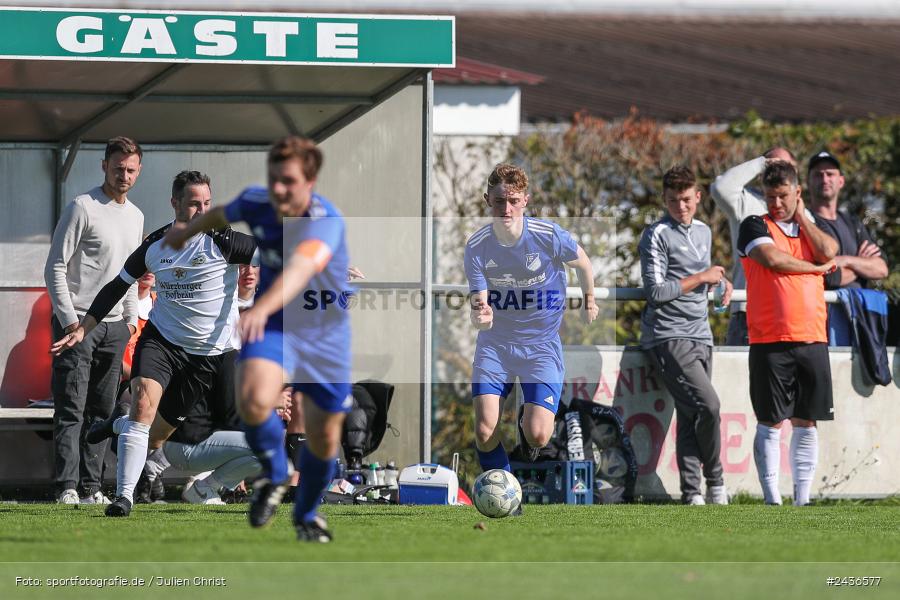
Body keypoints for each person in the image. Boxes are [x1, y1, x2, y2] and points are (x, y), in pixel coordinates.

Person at [162, 136, 352, 543]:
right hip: (277, 327)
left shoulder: (325, 221)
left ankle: (306, 515)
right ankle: (276, 472)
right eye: (273, 179)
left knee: (323, 437)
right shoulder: (257, 200)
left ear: (310, 181)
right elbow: (221, 214)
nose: (278, 189)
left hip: (322, 333)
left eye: (288, 181)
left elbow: (300, 270)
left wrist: (261, 307)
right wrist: (185, 232)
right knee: (252, 401)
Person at [51, 170, 256, 517]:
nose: (201, 211)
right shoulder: (155, 246)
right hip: (161, 343)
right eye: (194, 204)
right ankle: (124, 497)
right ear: (174, 203)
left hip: (204, 356)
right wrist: (84, 327)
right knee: (143, 408)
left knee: (156, 437)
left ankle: (117, 425)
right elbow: (116, 286)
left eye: (207, 204)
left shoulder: (226, 241)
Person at [464, 163, 598, 496]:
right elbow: (479, 303)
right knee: (484, 429)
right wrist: (480, 316)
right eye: (498, 202)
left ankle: (529, 417)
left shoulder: (548, 235)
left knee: (538, 434)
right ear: (487, 201)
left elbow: (582, 262)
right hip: (496, 345)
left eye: (512, 200)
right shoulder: (477, 246)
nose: (505, 209)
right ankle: (505, 490)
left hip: (541, 346)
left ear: (525, 200)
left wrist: (589, 298)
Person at [44, 136, 145, 505]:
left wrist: (131, 323)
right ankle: (66, 487)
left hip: (116, 327)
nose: (124, 175)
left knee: (102, 412)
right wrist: (71, 321)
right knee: (71, 407)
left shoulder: (136, 216)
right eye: (118, 168)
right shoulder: (82, 207)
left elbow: (130, 275)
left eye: (131, 170)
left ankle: (91, 488)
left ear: (139, 171)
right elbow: (54, 265)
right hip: (78, 325)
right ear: (104, 165)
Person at [737, 161, 837, 506]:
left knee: (807, 421)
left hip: (812, 338)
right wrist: (817, 270)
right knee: (770, 420)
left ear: (797, 193)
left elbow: (830, 251)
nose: (775, 203)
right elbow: (772, 259)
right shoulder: (753, 225)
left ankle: (802, 498)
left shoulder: (810, 228)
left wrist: (804, 220)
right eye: (769, 196)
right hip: (770, 339)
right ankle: (771, 498)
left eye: (782, 196)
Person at [638, 166, 731, 505]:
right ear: (664, 199)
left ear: (698, 197)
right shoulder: (656, 234)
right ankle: (716, 482)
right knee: (710, 405)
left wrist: (721, 282)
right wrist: (702, 276)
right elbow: (656, 293)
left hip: (701, 333)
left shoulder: (704, 231)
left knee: (693, 413)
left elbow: (702, 279)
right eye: (674, 200)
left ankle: (692, 494)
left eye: (687, 199)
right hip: (667, 334)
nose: (681, 206)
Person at [710, 147, 797, 345]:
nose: (779, 172)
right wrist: (762, 163)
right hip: (748, 314)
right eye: (773, 166)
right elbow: (720, 188)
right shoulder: (747, 202)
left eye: (786, 167)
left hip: (792, 314)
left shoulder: (804, 215)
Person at [806, 151, 889, 346]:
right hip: (822, 326)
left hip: (860, 323)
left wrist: (846, 260)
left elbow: (881, 269)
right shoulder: (808, 223)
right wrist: (862, 268)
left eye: (830, 173)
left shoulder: (854, 223)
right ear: (808, 182)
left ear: (841, 181)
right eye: (818, 174)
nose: (824, 179)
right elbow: (828, 278)